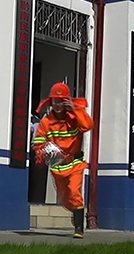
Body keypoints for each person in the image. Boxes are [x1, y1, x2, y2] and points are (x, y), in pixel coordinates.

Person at [33, 82, 94, 238]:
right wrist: (43, 153)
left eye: (61, 101)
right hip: (58, 167)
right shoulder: (46, 122)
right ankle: (75, 212)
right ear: (51, 102)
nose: (58, 105)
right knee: (66, 200)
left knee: (74, 192)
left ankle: (79, 229)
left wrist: (76, 109)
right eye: (55, 101)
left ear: (67, 101)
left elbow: (88, 125)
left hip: (75, 163)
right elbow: (39, 142)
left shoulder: (74, 116)